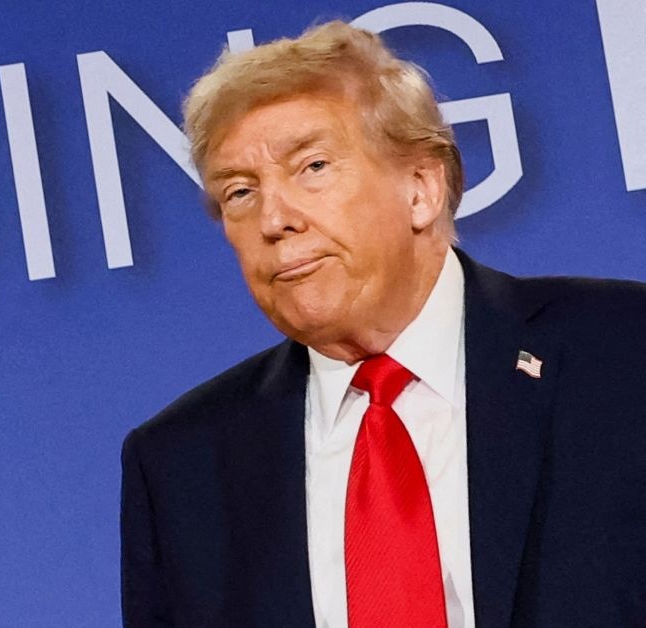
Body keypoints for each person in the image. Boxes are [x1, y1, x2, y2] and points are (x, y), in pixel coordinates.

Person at [120, 21, 646, 628]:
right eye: (239, 193)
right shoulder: (182, 466)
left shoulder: (621, 351)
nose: (273, 219)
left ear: (421, 188)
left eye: (313, 166)